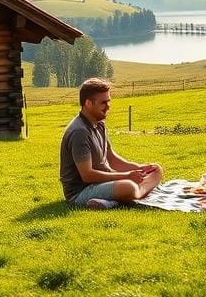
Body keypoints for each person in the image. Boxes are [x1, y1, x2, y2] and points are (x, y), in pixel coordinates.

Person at [60, 77, 163, 209]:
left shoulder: (100, 125)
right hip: (81, 192)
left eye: (108, 101)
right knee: (128, 186)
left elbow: (112, 159)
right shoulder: (79, 132)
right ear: (88, 103)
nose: (108, 107)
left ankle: (113, 201)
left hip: (104, 183)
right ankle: (134, 194)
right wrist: (127, 176)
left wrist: (139, 168)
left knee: (156, 170)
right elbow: (87, 175)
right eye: (103, 103)